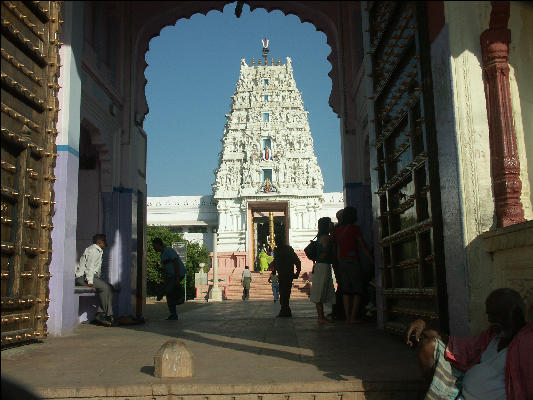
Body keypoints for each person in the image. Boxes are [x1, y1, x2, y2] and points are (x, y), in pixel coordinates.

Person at [406, 288, 533, 400]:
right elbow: (456, 345)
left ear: (516, 313)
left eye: (495, 315)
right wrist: (424, 327)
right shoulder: (492, 336)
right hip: (459, 391)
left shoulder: (526, 342)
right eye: (489, 315)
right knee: (429, 346)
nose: (490, 320)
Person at [333, 206, 374, 323]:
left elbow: (337, 248)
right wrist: (372, 259)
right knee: (357, 289)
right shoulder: (355, 229)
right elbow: (363, 246)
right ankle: (353, 316)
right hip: (352, 260)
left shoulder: (337, 231)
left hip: (342, 262)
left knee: (346, 290)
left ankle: (347, 316)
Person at [75, 234, 115, 327]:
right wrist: (90, 282)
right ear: (99, 242)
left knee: (109, 287)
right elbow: (90, 267)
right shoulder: (93, 250)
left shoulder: (98, 250)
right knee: (105, 288)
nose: (106, 243)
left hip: (92, 277)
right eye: (104, 241)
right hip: (84, 277)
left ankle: (101, 313)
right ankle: (106, 314)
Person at [309, 217, 336, 324]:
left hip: (320, 265)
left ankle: (321, 316)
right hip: (323, 265)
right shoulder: (326, 237)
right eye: (330, 223)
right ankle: (321, 317)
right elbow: (325, 252)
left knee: (322, 289)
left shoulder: (319, 236)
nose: (332, 224)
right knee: (320, 289)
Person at [152, 238, 186, 320]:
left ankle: (178, 302)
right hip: (172, 276)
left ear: (158, 244)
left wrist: (177, 277)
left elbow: (176, 263)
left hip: (178, 274)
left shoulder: (168, 250)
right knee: (169, 294)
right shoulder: (162, 255)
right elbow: (167, 268)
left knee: (169, 291)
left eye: (154, 246)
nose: (154, 248)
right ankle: (173, 313)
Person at [270, 232, 301, 317]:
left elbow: (297, 261)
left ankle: (285, 310)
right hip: (285, 275)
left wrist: (297, 272)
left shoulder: (284, 250)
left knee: (284, 293)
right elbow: (297, 262)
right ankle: (285, 310)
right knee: (284, 293)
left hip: (286, 275)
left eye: (277, 240)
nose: (276, 242)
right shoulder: (286, 250)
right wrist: (297, 272)